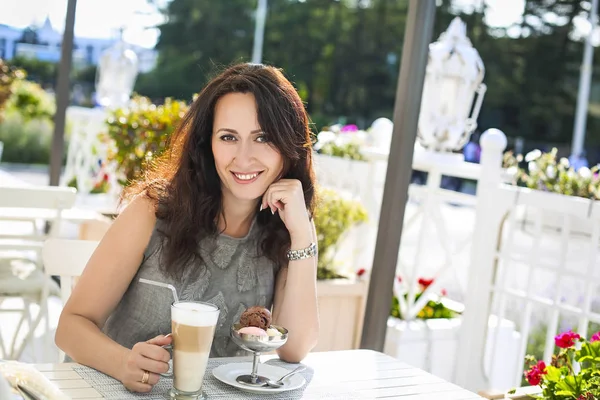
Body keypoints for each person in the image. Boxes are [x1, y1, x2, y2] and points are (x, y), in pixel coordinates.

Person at [55, 63, 320, 393]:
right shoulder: (153, 211)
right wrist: (124, 363)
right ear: (207, 143)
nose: (244, 157)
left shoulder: (285, 228)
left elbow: (294, 348)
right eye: (228, 137)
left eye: (263, 137)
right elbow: (70, 326)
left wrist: (302, 233)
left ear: (289, 144)